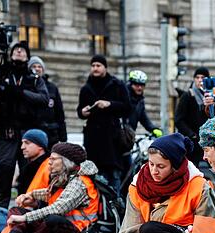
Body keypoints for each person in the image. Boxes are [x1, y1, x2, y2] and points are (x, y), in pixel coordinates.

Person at [0, 143, 100, 233]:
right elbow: (49, 192)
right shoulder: (67, 175)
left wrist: (24, 218)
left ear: (66, 161)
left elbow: (58, 208)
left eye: (53, 159)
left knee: (51, 220)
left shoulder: (80, 182)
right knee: (16, 210)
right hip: (62, 229)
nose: (49, 162)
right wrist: (30, 195)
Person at [0, 41, 49, 209]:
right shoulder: (2, 74)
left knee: (29, 172)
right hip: (7, 132)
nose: (19, 52)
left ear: (27, 56)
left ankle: (27, 208)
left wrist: (21, 93)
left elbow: (43, 98)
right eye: (16, 50)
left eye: (23, 50)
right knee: (4, 169)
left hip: (28, 132)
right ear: (11, 54)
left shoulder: (33, 78)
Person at [0, 129, 51, 233]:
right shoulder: (28, 168)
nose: (22, 147)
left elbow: (53, 198)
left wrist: (34, 203)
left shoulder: (50, 166)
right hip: (28, 215)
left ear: (40, 146)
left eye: (27, 143)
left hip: (42, 216)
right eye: (22, 143)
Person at [77, 55, 132, 193]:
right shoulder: (86, 88)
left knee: (114, 177)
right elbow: (79, 111)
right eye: (93, 65)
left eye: (98, 65)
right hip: (93, 140)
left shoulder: (117, 85)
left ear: (105, 68)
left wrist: (109, 104)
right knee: (93, 177)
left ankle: (116, 209)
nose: (95, 68)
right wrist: (83, 112)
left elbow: (127, 107)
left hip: (112, 140)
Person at [28, 56, 66, 148]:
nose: (37, 69)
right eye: (34, 66)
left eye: (39, 66)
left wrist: (63, 136)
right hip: (32, 133)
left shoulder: (52, 88)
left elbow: (59, 112)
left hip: (51, 134)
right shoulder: (26, 87)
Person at [175, 67, 210, 164]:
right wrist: (192, 135)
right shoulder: (188, 95)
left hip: (204, 143)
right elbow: (178, 120)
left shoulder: (209, 96)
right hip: (191, 144)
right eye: (197, 77)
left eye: (203, 77)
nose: (200, 80)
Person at [125, 70, 162, 138]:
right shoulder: (123, 96)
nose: (140, 88)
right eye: (136, 85)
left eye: (142, 85)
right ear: (130, 84)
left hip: (129, 136)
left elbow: (144, 119)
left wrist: (153, 129)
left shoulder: (140, 101)